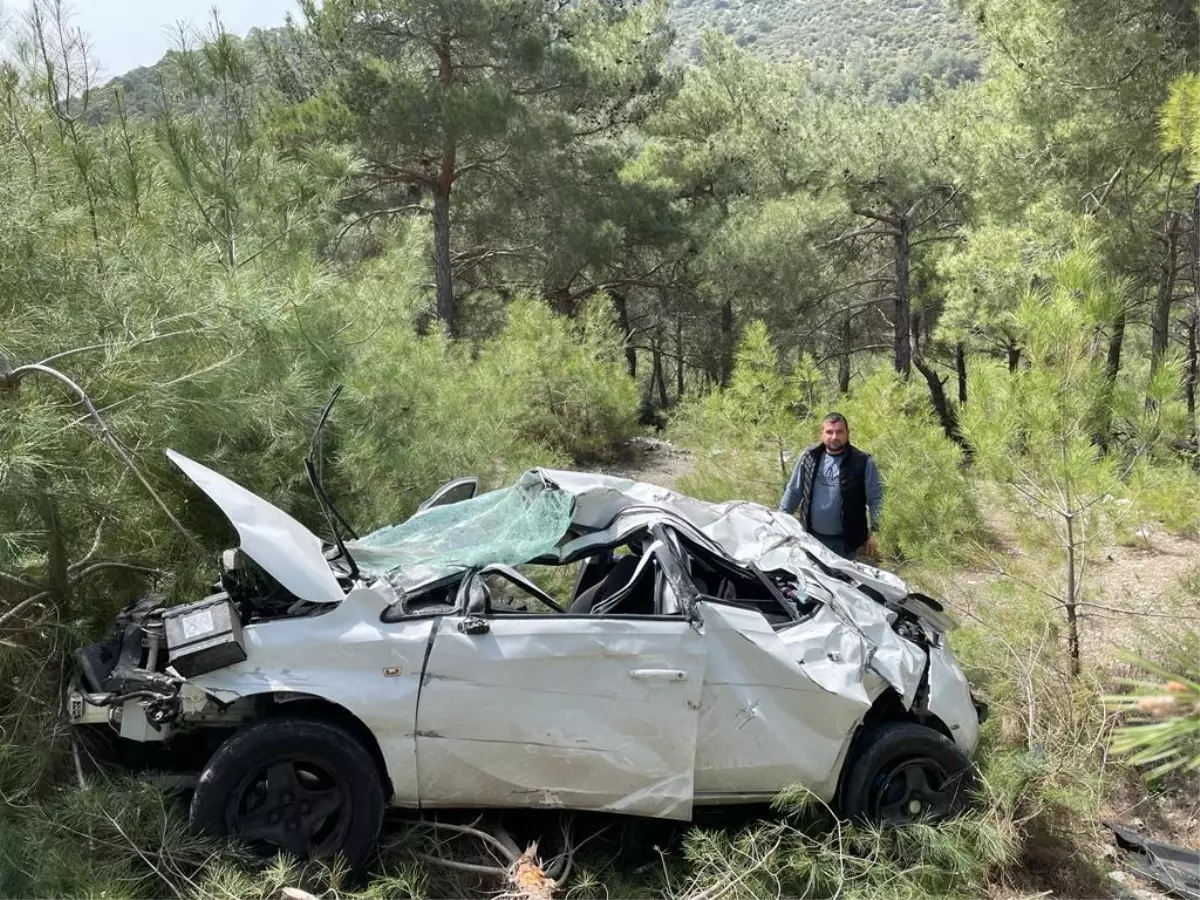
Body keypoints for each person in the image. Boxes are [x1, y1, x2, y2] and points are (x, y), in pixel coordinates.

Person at [778, 412, 883, 561]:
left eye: (840, 432)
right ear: (821, 433)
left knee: (845, 583)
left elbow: (876, 499)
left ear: (848, 433)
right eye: (829, 432)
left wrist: (877, 532)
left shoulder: (862, 462)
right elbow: (794, 490)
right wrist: (780, 519)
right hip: (812, 540)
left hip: (848, 545)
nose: (834, 437)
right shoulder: (809, 457)